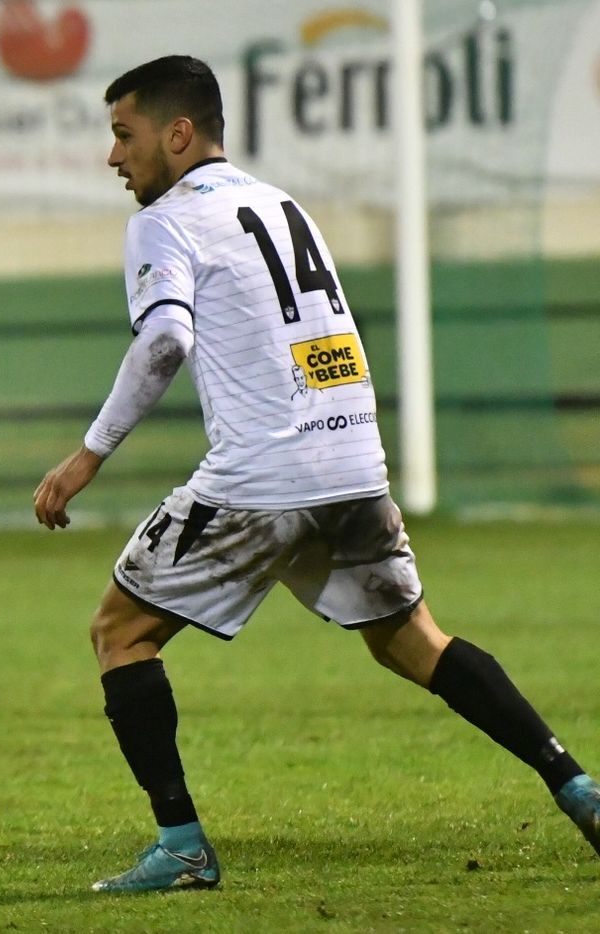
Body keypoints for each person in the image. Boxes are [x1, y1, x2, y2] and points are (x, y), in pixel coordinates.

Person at [32, 54, 600, 893]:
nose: (114, 158)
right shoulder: (280, 202)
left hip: (265, 477)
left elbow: (165, 340)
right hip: (352, 462)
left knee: (120, 632)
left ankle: (183, 845)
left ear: (178, 134)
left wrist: (88, 454)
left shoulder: (166, 221)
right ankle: (577, 784)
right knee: (413, 642)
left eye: (124, 135)